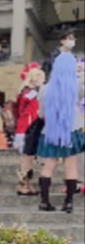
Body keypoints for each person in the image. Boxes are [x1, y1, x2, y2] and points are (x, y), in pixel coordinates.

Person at [37, 51, 84, 213]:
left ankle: (44, 201)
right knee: (71, 167)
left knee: (48, 166)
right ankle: (68, 203)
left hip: (51, 132)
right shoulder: (76, 85)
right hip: (72, 130)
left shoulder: (44, 89)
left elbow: (41, 115)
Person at [13, 63, 45, 195]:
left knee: (30, 158)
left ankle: (27, 184)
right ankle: (23, 185)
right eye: (39, 76)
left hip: (34, 127)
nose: (41, 79)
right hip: (27, 127)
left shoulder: (33, 91)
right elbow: (26, 102)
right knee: (27, 158)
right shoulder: (27, 91)